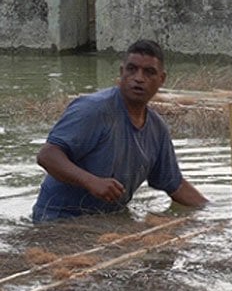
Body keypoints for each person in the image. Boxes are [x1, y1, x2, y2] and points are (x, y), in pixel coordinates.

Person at [32, 39, 208, 222]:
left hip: (108, 221)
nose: (139, 78)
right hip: (59, 220)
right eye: (132, 69)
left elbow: (175, 185)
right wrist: (91, 181)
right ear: (121, 72)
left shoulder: (157, 128)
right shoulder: (93, 109)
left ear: (161, 79)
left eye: (149, 72)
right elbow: (47, 155)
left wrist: (212, 213)